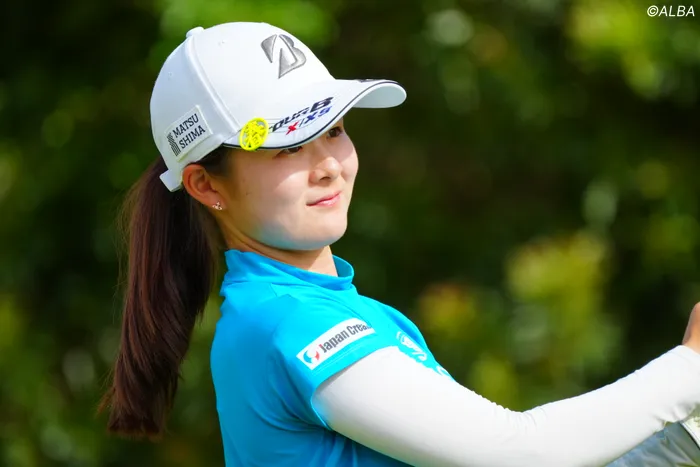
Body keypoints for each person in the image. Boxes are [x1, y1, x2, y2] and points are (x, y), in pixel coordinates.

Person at [99, 21, 700, 466]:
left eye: (334, 129)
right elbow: (518, 454)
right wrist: (688, 369)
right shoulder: (288, 323)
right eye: (289, 146)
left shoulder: (339, 311)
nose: (328, 165)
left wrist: (684, 438)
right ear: (206, 185)